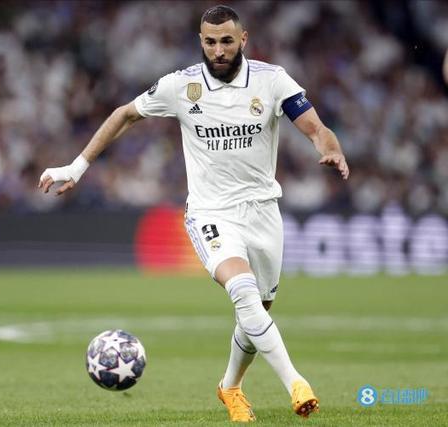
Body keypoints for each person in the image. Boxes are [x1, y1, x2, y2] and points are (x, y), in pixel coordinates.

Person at [38, 5, 349, 422]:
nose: (218, 50)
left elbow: (316, 129)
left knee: (257, 311)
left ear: (243, 39)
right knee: (243, 293)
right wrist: (76, 168)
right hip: (211, 212)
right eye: (210, 42)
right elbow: (124, 115)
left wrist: (331, 149)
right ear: (200, 42)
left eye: (226, 41)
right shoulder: (181, 86)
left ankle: (230, 387)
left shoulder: (272, 80)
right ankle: (296, 383)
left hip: (262, 212)